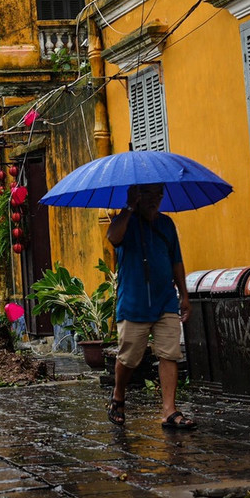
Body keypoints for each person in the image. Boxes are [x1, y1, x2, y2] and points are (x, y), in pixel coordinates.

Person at [105, 183, 195, 430]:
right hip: (134, 302)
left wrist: (184, 295)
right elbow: (113, 238)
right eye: (148, 194)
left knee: (169, 353)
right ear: (137, 196)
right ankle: (118, 395)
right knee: (129, 357)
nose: (154, 200)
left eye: (158, 194)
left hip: (164, 299)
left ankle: (169, 410)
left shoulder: (166, 225)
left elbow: (176, 261)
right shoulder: (125, 221)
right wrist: (128, 208)